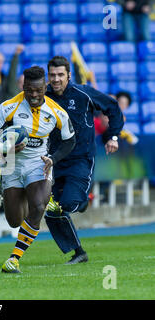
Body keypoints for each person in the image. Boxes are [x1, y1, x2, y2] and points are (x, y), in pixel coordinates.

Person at [0, 66, 77, 273]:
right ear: (23, 86)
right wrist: (5, 147)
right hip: (12, 165)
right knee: (14, 220)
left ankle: (14, 259)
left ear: (45, 87)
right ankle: (30, 193)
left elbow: (70, 141)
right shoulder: (9, 107)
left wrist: (53, 158)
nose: (34, 95)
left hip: (38, 163)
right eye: (29, 90)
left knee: (38, 206)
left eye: (38, 90)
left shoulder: (56, 111)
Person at [44, 56, 124, 265]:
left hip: (80, 159)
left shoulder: (84, 93)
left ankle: (80, 201)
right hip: (52, 161)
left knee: (68, 203)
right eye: (52, 75)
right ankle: (78, 252)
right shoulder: (41, 96)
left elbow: (112, 107)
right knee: (52, 211)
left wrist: (113, 136)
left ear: (69, 75)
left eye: (61, 74)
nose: (56, 79)